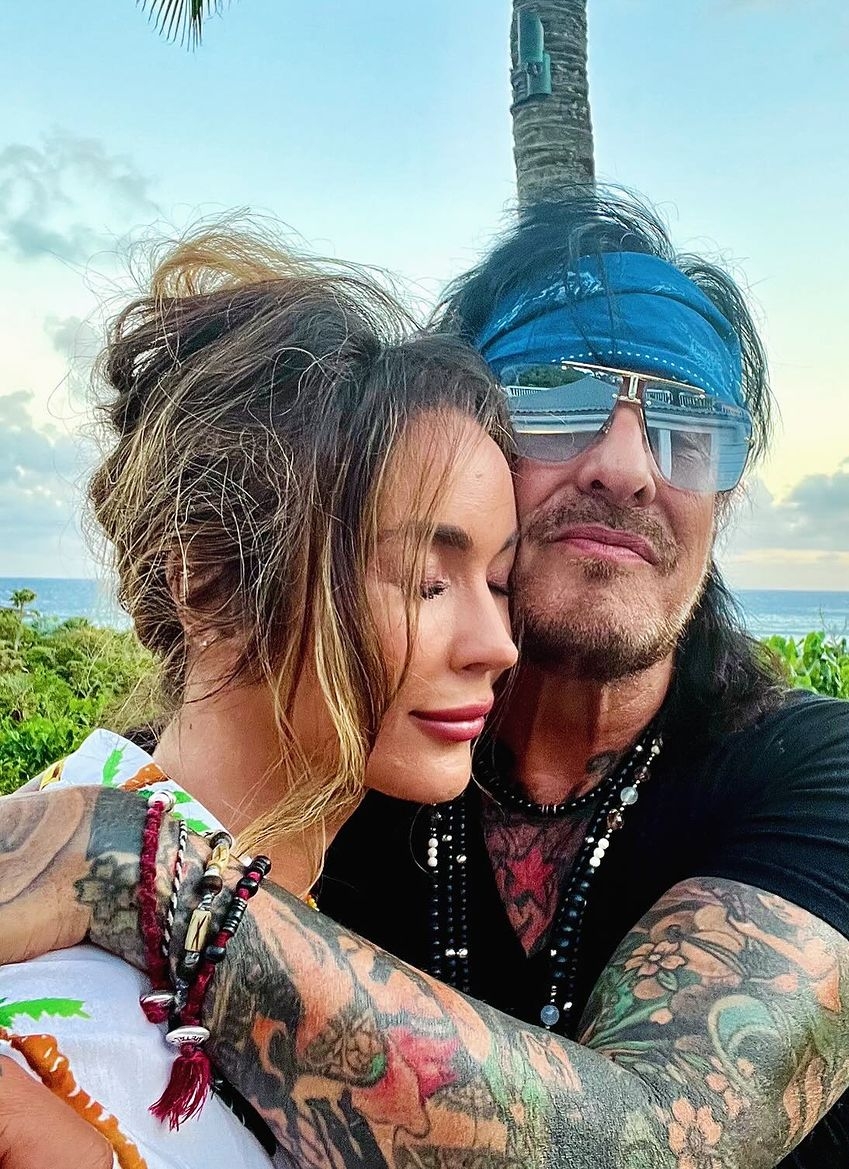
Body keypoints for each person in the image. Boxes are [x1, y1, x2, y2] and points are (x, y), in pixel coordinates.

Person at [0, 191, 849, 1169]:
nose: (627, 465)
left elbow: (665, 1143)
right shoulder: (331, 769)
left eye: (692, 429)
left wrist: (144, 871)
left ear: (723, 498)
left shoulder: (809, 768)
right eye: (557, 399)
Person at [0, 228, 518, 1168]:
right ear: (204, 579)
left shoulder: (283, 927)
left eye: (500, 580)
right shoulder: (51, 1033)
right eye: (426, 581)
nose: (498, 644)